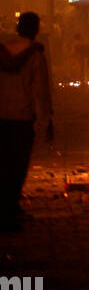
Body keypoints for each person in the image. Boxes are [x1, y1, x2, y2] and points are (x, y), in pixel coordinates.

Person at [0, 12, 54, 232]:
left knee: (3, 165)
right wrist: (44, 123)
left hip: (1, 117)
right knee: (17, 167)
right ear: (36, 30)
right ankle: (10, 211)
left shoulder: (2, 51)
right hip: (21, 119)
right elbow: (39, 92)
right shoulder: (35, 56)